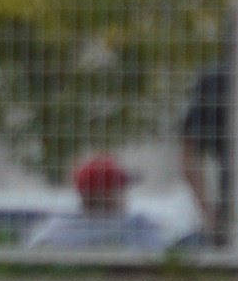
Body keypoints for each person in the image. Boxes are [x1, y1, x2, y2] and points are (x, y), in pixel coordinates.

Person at [27, 156, 166, 252]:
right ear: (107, 195)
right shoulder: (135, 228)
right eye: (119, 189)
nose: (124, 197)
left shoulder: (54, 229)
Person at [178, 45, 232, 249]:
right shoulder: (217, 82)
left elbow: (187, 155)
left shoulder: (216, 80)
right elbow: (187, 154)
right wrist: (210, 215)